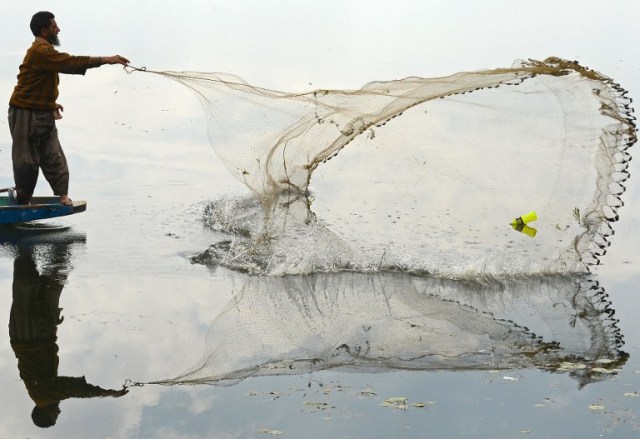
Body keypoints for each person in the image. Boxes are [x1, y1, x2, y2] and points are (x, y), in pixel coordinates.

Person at [8, 11, 129, 205]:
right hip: (25, 113)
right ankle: (23, 200)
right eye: (54, 27)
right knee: (27, 161)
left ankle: (63, 196)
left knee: (53, 154)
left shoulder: (46, 52)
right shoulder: (40, 51)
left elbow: (35, 83)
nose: (58, 29)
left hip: (43, 111)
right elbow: (70, 63)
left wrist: (50, 103)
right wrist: (106, 59)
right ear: (44, 30)